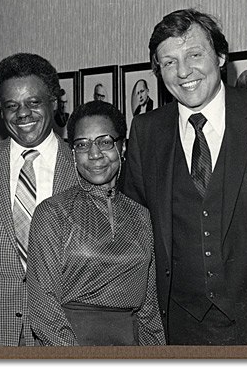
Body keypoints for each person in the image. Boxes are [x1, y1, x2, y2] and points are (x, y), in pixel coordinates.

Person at [124, 8, 247, 345]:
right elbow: (132, 233)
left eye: (194, 54)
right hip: (179, 329)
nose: (183, 72)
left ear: (221, 56)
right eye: (168, 62)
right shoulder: (145, 132)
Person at [0, 53, 78, 346]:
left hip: (65, 334)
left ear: (54, 103)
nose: (23, 114)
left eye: (34, 102)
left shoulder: (82, 165)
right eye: (11, 106)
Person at [27, 100, 165, 346]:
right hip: (70, 346)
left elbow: (149, 307)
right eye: (82, 144)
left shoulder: (141, 215)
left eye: (105, 142)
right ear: (73, 154)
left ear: (122, 147)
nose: (94, 154)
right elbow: (43, 306)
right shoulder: (53, 212)